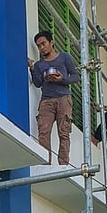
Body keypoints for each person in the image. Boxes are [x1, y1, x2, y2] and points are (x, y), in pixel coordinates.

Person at [28, 30, 78, 165]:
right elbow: (38, 83)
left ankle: (63, 166)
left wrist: (62, 79)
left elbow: (75, 76)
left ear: (51, 42)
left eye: (43, 44)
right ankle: (45, 165)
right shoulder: (39, 65)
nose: (41, 48)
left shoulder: (64, 57)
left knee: (64, 133)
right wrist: (32, 68)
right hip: (46, 100)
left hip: (64, 98)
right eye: (38, 46)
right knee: (43, 133)